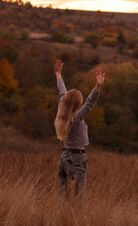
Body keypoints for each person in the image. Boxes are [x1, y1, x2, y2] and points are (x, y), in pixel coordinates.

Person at [54, 59, 105, 200]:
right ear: (77, 104)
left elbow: (62, 92)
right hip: (77, 158)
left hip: (64, 158)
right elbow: (90, 103)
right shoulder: (76, 118)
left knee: (62, 199)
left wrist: (58, 75)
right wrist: (98, 87)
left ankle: (62, 220)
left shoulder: (61, 113)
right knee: (77, 199)